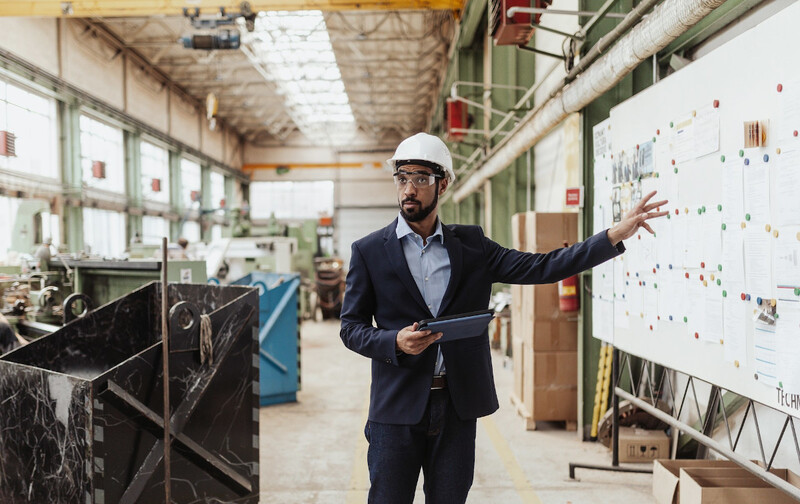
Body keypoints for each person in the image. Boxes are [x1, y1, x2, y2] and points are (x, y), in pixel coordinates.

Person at [339, 132, 668, 503]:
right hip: (396, 409)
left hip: (456, 406)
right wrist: (394, 341)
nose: (408, 189)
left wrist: (610, 236)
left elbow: (542, 267)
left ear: (442, 184)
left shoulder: (472, 245)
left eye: (420, 179)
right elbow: (350, 329)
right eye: (402, 179)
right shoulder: (369, 252)